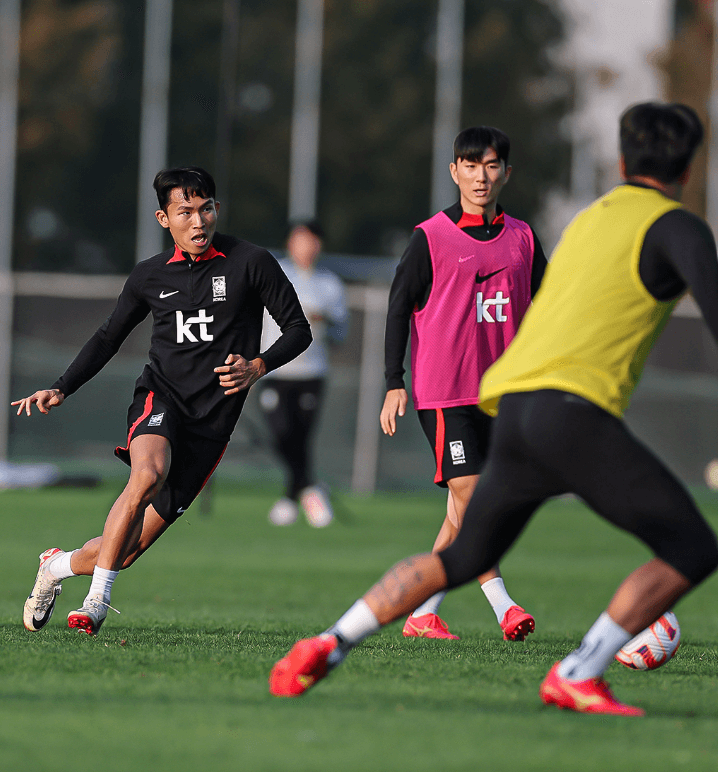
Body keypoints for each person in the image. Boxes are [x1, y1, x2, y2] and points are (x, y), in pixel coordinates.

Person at [269, 102, 718, 716]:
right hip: (566, 409)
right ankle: (580, 669)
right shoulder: (678, 227)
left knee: (464, 552)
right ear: (689, 171)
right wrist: (395, 378)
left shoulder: (587, 221)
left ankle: (333, 639)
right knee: (692, 546)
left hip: (514, 402)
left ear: (620, 161)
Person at [15, 166, 311, 636]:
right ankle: (96, 602)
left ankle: (56, 566)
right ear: (163, 218)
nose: (198, 221)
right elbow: (109, 335)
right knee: (147, 475)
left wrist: (258, 366)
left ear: (217, 209)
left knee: (125, 552)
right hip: (161, 397)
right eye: (185, 212)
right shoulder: (149, 275)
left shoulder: (250, 262)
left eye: (206, 209)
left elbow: (299, 329)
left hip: (212, 424)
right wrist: (62, 385)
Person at [380, 126, 546, 640]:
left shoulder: (523, 238)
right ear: (454, 172)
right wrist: (394, 380)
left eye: (491, 166)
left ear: (506, 174)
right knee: (471, 493)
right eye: (470, 166)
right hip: (444, 393)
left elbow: (550, 308)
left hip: (504, 396)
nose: (480, 176)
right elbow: (397, 308)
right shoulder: (430, 237)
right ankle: (503, 605)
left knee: (461, 509)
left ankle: (421, 612)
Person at [258, 220, 348, 527]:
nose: (306, 247)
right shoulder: (272, 273)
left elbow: (341, 334)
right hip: (273, 369)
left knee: (301, 438)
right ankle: (310, 487)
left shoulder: (329, 284)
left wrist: (323, 320)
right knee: (281, 435)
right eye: (300, 240)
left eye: (311, 241)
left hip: (311, 372)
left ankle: (289, 499)